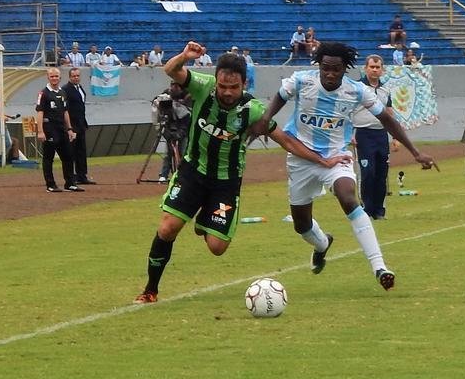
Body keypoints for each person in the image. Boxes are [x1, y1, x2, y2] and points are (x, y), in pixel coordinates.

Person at [134, 42, 352, 304]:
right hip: (192, 173)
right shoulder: (202, 86)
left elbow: (286, 140)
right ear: (215, 81)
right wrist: (184, 56)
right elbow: (170, 70)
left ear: (244, 84)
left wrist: (322, 160)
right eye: (222, 86)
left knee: (217, 248)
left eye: (233, 87)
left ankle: (204, 221)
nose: (227, 92)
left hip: (225, 183)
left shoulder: (254, 110)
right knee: (168, 228)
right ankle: (150, 289)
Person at [254, 42, 438, 291]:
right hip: (301, 158)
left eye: (336, 69)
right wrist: (265, 118)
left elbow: (386, 119)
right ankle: (322, 244)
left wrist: (415, 152)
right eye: (325, 69)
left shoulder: (357, 91)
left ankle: (379, 267)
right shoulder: (301, 81)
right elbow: (279, 97)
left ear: (345, 69)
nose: (330, 74)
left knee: (348, 197)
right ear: (318, 66)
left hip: (337, 157)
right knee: (301, 225)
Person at [353, 55, 394, 220]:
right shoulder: (357, 88)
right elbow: (347, 111)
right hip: (363, 134)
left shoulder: (386, 90)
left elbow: (390, 114)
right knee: (367, 172)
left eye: (378, 67)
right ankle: (366, 209)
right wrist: (349, 134)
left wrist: (395, 137)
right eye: (372, 67)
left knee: (381, 173)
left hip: (381, 135)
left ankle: (379, 210)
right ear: (365, 68)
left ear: (382, 70)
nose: (375, 70)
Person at [35, 67, 80, 192]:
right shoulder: (43, 93)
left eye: (56, 76)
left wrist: (69, 128)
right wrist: (40, 131)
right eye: (52, 76)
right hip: (49, 128)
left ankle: (70, 183)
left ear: (60, 78)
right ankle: (50, 184)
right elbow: (40, 112)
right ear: (48, 77)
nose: (54, 78)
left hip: (61, 128)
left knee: (68, 156)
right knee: (48, 157)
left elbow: (65, 112)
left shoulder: (62, 93)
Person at [153, 80, 191, 182]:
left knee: (182, 152)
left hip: (184, 125)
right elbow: (156, 101)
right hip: (169, 124)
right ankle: (164, 174)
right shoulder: (167, 93)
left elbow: (187, 116)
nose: (174, 88)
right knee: (168, 153)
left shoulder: (187, 94)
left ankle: (182, 174)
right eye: (173, 85)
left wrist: (181, 132)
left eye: (177, 86)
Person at [64, 67, 94, 184]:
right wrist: (69, 127)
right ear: (70, 77)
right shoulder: (66, 89)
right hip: (72, 125)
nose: (76, 78)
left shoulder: (80, 88)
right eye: (74, 76)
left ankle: (82, 175)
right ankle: (71, 176)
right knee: (71, 152)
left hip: (81, 124)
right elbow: (65, 109)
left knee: (81, 151)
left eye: (78, 76)